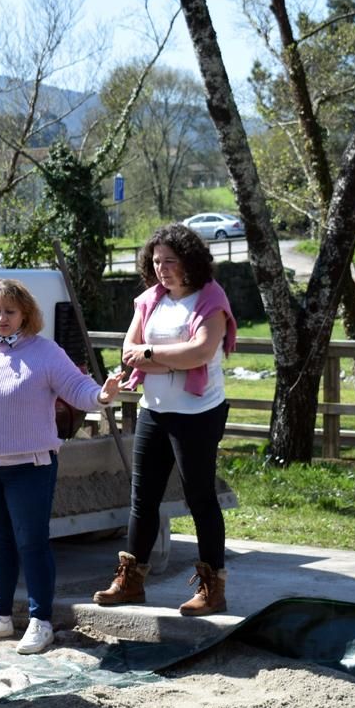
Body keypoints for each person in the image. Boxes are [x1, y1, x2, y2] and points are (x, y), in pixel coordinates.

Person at [0, 279, 123, 654]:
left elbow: (77, 388)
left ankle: (41, 620)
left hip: (31, 466)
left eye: (9, 311)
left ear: (26, 314)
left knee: (32, 542)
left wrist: (102, 395)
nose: (2, 318)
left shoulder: (45, 352)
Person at [93, 223, 237, 616]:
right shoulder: (150, 299)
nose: (162, 268)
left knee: (200, 498)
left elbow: (200, 353)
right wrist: (161, 356)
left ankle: (212, 587)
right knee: (143, 499)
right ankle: (131, 580)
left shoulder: (210, 298)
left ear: (190, 261)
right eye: (156, 261)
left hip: (198, 414)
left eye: (170, 261)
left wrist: (152, 356)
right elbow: (128, 351)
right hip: (154, 411)